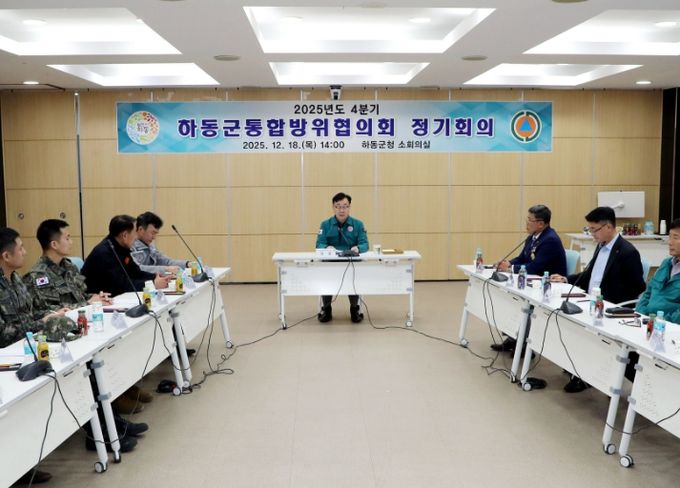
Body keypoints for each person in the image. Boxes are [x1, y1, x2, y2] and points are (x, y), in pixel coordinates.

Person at [22, 219, 147, 447]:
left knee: (106, 357)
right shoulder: (38, 277)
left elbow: (79, 297)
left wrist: (94, 298)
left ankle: (112, 421)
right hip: (60, 341)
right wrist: (84, 305)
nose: (71, 241)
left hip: (82, 331)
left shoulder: (69, 267)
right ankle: (98, 433)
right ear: (54, 244)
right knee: (89, 371)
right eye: (67, 237)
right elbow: (48, 313)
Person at [0, 227, 69, 485]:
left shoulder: (16, 280)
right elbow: (3, 334)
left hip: (24, 350)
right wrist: (42, 322)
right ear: (6, 256)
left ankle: (23, 463)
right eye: (20, 248)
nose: (25, 252)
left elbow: (28, 316)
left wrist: (48, 317)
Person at [551, 207, 646, 392]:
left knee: (582, 330)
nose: (592, 234)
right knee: (565, 320)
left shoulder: (627, 252)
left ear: (608, 227)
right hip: (591, 302)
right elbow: (589, 275)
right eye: (590, 229)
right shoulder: (600, 246)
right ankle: (577, 368)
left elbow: (638, 287)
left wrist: (612, 303)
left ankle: (585, 375)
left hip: (611, 308)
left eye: (594, 229)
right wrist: (566, 279)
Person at [492, 204, 567, 352]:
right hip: (533, 281)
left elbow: (535, 267)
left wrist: (510, 269)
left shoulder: (550, 240)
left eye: (530, 220)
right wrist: (507, 264)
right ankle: (514, 338)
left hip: (549, 286)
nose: (526, 223)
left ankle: (525, 345)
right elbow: (522, 258)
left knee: (519, 300)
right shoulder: (533, 236)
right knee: (509, 297)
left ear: (541, 224)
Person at [82, 215, 171, 297]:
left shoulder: (121, 247)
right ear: (124, 235)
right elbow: (120, 286)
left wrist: (156, 277)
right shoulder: (104, 253)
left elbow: (135, 272)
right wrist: (152, 284)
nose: (136, 237)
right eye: (135, 232)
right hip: (98, 301)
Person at [315, 192, 369, 323]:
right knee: (326, 280)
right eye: (338, 206)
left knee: (354, 280)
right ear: (333, 207)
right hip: (330, 263)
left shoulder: (358, 224)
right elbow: (319, 243)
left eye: (345, 206)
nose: (341, 210)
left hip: (351, 262)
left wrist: (358, 248)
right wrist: (326, 247)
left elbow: (365, 244)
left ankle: (354, 309)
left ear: (349, 207)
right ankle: (327, 309)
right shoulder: (325, 224)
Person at [636, 218, 680, 322]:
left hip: (667, 326)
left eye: (675, 237)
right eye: (669, 237)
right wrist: (640, 314)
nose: (670, 242)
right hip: (646, 321)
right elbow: (648, 293)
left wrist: (661, 322)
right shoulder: (666, 263)